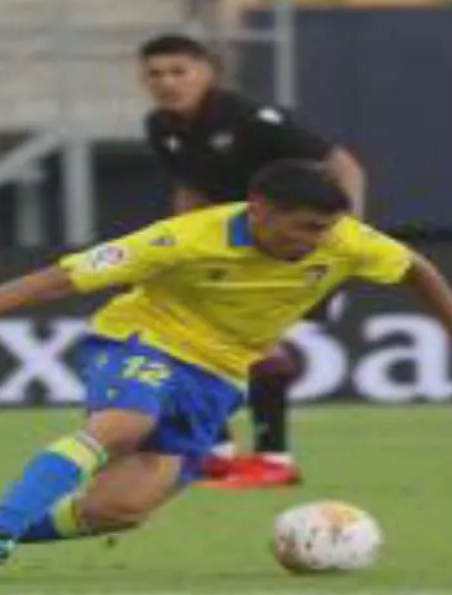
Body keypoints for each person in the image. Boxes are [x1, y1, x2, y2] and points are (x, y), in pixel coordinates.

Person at [0, 160, 452, 582]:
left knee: (121, 509)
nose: (317, 242)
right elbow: (56, 280)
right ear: (260, 210)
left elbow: (413, 267)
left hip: (220, 373)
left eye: (326, 229)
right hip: (142, 340)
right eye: (304, 228)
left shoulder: (346, 239)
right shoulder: (184, 237)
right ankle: (3, 525)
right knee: (125, 423)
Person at [139, 33, 367, 487]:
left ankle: (272, 458)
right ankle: (219, 452)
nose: (167, 82)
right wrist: (180, 245)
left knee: (247, 343)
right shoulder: (161, 126)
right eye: (155, 73)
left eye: (178, 71)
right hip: (231, 245)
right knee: (187, 332)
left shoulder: (249, 119)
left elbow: (345, 166)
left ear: (208, 72)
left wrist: (347, 232)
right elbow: (191, 187)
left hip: (284, 245)